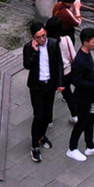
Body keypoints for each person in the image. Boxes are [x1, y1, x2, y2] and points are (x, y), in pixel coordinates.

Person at [23, 20, 64, 163]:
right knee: (38, 116)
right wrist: (34, 52)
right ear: (33, 37)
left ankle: (42, 135)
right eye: (38, 37)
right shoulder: (29, 47)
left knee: (48, 115)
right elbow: (27, 65)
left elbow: (59, 63)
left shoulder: (53, 43)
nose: (41, 39)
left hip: (50, 85)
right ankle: (34, 145)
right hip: (36, 86)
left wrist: (60, 83)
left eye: (43, 36)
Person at [67, 27, 94, 162]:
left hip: (91, 96)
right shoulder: (79, 60)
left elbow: (90, 73)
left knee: (91, 120)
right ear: (85, 42)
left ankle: (90, 146)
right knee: (82, 122)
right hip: (83, 97)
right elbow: (76, 81)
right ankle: (72, 148)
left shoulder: (87, 55)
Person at [45, 14, 78, 123]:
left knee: (49, 98)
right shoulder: (66, 40)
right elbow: (73, 57)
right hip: (66, 72)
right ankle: (74, 115)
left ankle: (49, 120)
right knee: (68, 93)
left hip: (51, 75)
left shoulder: (45, 44)